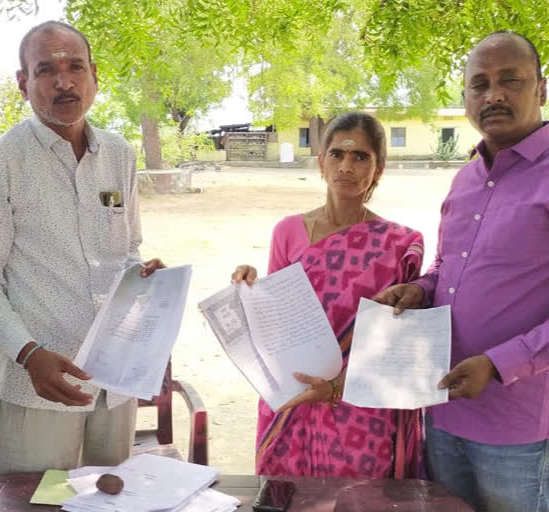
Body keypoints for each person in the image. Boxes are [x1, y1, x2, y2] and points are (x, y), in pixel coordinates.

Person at [0, 21, 164, 473]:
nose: (64, 81)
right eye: (45, 70)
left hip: (114, 383)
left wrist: (145, 281)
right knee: (35, 504)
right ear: (23, 83)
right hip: (37, 391)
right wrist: (28, 354)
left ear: (95, 75)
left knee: (113, 498)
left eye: (75, 67)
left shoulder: (119, 154)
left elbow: (127, 248)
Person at [374, 31, 549, 512]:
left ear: (541, 88)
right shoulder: (466, 176)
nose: (493, 94)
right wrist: (419, 288)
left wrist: (498, 365)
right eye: (479, 84)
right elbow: (448, 267)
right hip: (441, 411)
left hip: (518, 427)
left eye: (510, 79)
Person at [232, 112, 424, 478]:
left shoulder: (400, 244)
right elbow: (278, 319)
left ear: (379, 168)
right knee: (288, 496)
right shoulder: (288, 231)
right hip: (295, 396)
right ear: (321, 163)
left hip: (360, 405)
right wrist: (252, 288)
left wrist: (336, 387)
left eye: (360, 157)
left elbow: (399, 343)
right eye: (337, 155)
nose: (346, 166)